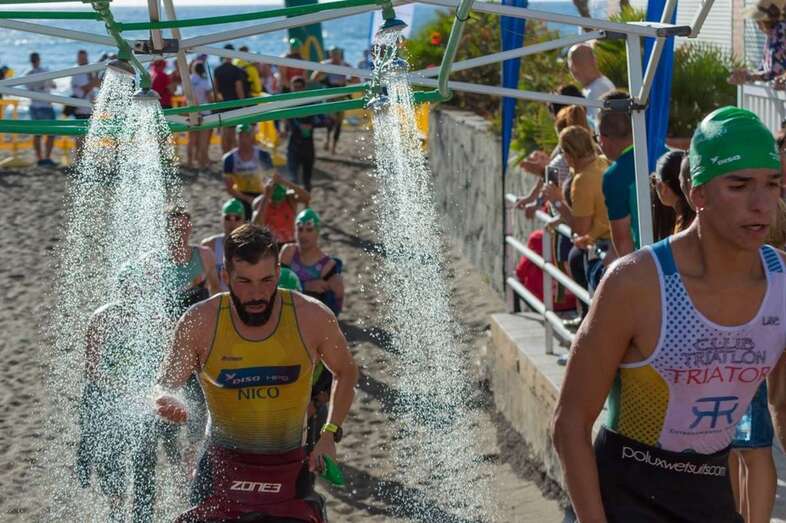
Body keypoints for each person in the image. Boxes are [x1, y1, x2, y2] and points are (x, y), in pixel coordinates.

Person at [553, 106, 786, 522]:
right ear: (697, 194)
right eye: (739, 185)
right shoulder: (635, 283)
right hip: (624, 497)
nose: (761, 204)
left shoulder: (782, 283)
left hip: (710, 493)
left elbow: (783, 407)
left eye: (772, 184)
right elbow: (569, 422)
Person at [155, 224, 358, 522]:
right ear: (225, 277)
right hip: (221, 463)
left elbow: (346, 371)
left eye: (266, 280)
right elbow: (164, 384)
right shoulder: (200, 321)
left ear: (278, 272)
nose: (257, 294)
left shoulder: (311, 316)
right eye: (244, 281)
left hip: (289, 465)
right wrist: (166, 399)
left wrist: (329, 434)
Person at [542, 125, 610, 320]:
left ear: (568, 154)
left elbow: (581, 228)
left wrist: (557, 201)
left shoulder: (582, 179)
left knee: (575, 260)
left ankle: (587, 319)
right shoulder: (602, 162)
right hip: (612, 239)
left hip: (601, 247)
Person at [280, 208, 344, 316]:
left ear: (317, 232)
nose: (303, 235)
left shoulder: (327, 265)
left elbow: (334, 311)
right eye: (300, 229)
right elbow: (276, 284)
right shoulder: (288, 252)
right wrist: (305, 286)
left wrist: (338, 295)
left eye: (309, 230)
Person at [599, 90, 638, 264]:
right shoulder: (667, 153)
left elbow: (623, 245)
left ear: (603, 138)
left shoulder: (614, 176)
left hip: (646, 265)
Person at [222, 123, 275, 220]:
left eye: (246, 136)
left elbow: (271, 181)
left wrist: (263, 197)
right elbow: (229, 188)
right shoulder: (229, 159)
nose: (243, 140)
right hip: (241, 196)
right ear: (236, 137)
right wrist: (248, 199)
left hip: (262, 194)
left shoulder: (263, 155)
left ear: (252, 136)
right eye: (240, 136)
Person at [729, 0, 786, 87]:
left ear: (767, 21)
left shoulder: (780, 31)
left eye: (759, 21)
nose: (758, 26)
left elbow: (775, 71)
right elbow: (765, 68)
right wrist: (749, 73)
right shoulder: (771, 34)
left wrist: (749, 77)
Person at [252, 172, 311, 246]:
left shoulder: (289, 198)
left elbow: (307, 197)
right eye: (274, 201)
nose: (277, 205)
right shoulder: (261, 202)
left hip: (291, 242)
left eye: (280, 201)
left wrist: (285, 182)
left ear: (284, 196)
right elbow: (256, 224)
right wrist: (266, 196)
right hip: (272, 244)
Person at [312, 47, 351, 155]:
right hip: (329, 95)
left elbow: (356, 79)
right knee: (331, 120)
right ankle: (328, 139)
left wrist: (346, 80)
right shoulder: (325, 64)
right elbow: (314, 78)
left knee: (339, 122)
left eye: (337, 54)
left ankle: (333, 145)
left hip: (341, 95)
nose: (335, 56)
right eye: (333, 54)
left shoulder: (345, 65)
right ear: (330, 55)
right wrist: (323, 76)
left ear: (340, 55)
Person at [202, 198, 247, 292]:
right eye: (228, 218)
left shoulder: (250, 247)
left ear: (243, 221)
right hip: (218, 297)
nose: (232, 223)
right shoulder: (209, 246)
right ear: (222, 220)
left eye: (237, 218)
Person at [567, 44, 615, 129]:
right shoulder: (594, 86)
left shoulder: (598, 89)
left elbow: (596, 128)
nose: (573, 70)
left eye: (576, 63)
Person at [651, 149, 696, 240]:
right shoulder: (699, 215)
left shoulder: (684, 227)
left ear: (664, 187)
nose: (654, 187)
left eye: (654, 181)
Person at [284, 76, 318, 191]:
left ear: (304, 88)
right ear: (291, 88)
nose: (297, 90)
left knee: (307, 181)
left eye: (299, 87)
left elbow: (322, 119)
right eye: (295, 87)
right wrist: (285, 129)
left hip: (308, 145)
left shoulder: (310, 102)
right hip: (293, 144)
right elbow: (286, 121)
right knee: (292, 180)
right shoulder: (288, 103)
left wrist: (312, 124)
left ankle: (307, 202)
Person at [25, 52, 57, 167]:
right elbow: (54, 86)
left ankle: (40, 159)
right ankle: (47, 158)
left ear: (31, 61)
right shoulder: (45, 71)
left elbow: (28, 90)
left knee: (37, 134)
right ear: (39, 60)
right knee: (51, 133)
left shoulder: (28, 74)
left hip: (34, 107)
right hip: (45, 106)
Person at [214, 45, 247, 153]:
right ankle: (233, 154)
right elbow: (238, 88)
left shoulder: (217, 70)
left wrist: (217, 103)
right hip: (234, 102)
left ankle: (225, 154)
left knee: (224, 130)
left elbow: (215, 89)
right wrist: (243, 104)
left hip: (222, 102)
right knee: (233, 132)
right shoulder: (236, 70)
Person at [71, 49, 100, 157]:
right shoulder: (77, 72)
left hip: (89, 107)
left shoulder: (89, 70)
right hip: (81, 108)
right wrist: (95, 78)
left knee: (88, 136)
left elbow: (97, 85)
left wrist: (95, 78)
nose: (84, 60)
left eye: (85, 58)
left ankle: (85, 158)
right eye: (82, 58)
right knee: (80, 136)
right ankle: (80, 159)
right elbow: (86, 87)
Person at [187, 60, 213, 170]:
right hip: (205, 111)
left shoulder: (188, 80)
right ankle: (202, 162)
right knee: (203, 140)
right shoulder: (204, 81)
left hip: (192, 111)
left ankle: (190, 162)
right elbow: (209, 97)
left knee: (192, 139)